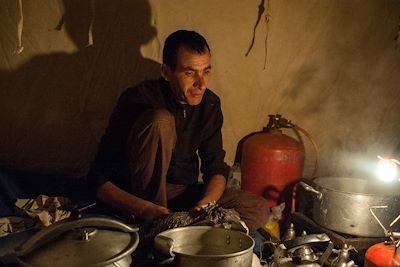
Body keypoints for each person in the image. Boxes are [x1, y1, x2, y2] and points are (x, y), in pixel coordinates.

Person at [88, 29, 269, 232]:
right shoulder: (138, 99)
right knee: (160, 121)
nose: (201, 84)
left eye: (206, 71)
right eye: (189, 73)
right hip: (140, 197)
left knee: (258, 209)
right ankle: (156, 228)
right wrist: (145, 208)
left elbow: (216, 168)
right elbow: (98, 180)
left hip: (181, 194)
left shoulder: (209, 104)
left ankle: (181, 229)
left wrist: (205, 205)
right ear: (166, 72)